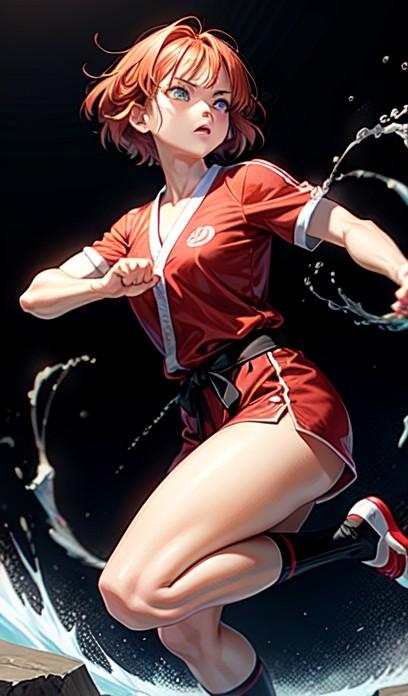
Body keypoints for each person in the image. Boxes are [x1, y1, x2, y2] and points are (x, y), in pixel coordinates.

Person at [19, 16, 408, 696]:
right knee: (187, 633)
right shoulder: (132, 229)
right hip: (208, 422)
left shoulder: (245, 184)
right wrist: (104, 285)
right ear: (142, 112)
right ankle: (361, 541)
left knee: (131, 593)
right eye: (184, 94)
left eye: (220, 101)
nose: (207, 112)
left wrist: (402, 268)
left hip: (279, 399)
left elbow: (347, 226)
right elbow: (38, 296)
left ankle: (355, 541)